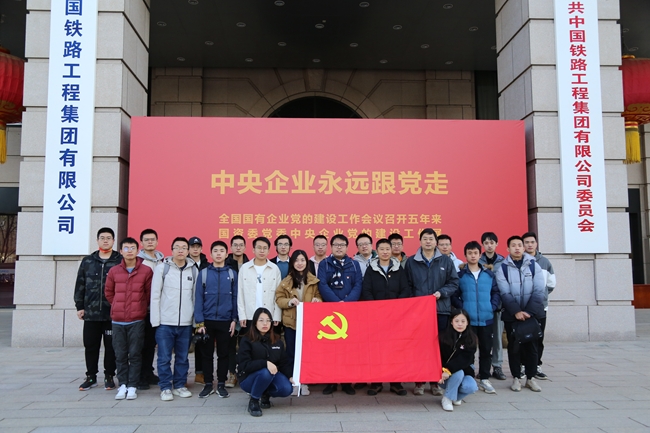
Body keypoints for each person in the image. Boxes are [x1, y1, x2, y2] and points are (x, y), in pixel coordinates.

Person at [405, 228, 459, 396]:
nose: (428, 242)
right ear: (420, 241)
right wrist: (415, 303)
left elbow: (454, 283)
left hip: (440, 310)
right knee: (420, 346)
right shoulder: (411, 262)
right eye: (425, 239)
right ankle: (420, 381)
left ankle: (436, 382)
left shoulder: (446, 261)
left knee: (439, 346)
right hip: (419, 313)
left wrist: (441, 293)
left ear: (436, 242)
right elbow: (407, 286)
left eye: (431, 239)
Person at [105, 237, 153, 400]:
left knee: (135, 354)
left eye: (132, 248)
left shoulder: (146, 271)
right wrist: (117, 306)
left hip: (137, 320)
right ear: (121, 251)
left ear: (138, 251)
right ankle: (123, 384)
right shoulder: (114, 271)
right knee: (120, 354)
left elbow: (148, 294)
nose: (129, 251)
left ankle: (133, 385)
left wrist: (138, 307)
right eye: (126, 248)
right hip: (118, 320)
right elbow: (109, 292)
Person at [495, 235, 545, 393]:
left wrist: (529, 312)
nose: (517, 248)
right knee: (514, 347)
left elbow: (539, 290)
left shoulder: (534, 265)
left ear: (524, 248)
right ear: (507, 249)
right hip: (512, 315)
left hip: (532, 314)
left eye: (519, 245)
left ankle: (531, 378)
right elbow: (504, 292)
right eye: (513, 245)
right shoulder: (502, 268)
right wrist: (516, 311)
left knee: (532, 347)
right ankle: (516, 377)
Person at [361, 238, 410, 396]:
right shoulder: (371, 269)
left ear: (391, 250)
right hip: (376, 317)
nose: (385, 252)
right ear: (377, 251)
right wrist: (376, 308)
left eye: (387, 249)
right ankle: (377, 383)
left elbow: (405, 289)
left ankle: (396, 383)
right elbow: (366, 290)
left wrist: (396, 307)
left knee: (396, 349)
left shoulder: (398, 268)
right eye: (381, 249)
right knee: (377, 350)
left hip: (396, 317)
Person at [74, 227, 121, 391]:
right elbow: (80, 285)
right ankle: (91, 376)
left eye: (109, 238)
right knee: (91, 346)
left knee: (111, 347)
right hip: (91, 313)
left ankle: (109, 375)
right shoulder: (88, 261)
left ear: (113, 241)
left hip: (112, 313)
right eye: (102, 238)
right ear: (97, 240)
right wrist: (80, 306)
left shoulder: (119, 261)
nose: (105, 240)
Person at [150, 237, 197, 401]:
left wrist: (194, 321)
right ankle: (165, 387)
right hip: (165, 323)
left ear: (188, 251)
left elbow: (195, 298)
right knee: (164, 358)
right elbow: (155, 296)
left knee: (183, 358)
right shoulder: (162, 269)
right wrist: (156, 321)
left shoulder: (193, 270)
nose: (181, 250)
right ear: (172, 250)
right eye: (177, 247)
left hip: (185, 323)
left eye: (184, 247)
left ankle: (179, 385)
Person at [317, 234, 363, 395]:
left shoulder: (354, 264)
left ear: (347, 247)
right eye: (336, 245)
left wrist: (347, 303)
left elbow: (358, 284)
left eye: (342, 245)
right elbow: (322, 285)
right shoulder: (324, 264)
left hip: (350, 311)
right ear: (331, 247)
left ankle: (346, 382)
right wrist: (337, 303)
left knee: (348, 349)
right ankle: (330, 381)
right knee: (330, 349)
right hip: (329, 312)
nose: (339, 247)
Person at [455, 241, 500, 394]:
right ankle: (469, 377)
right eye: (470, 253)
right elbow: (455, 295)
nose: (473, 256)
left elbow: (496, 292)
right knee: (468, 350)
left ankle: (485, 378)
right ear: (465, 255)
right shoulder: (461, 275)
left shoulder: (489, 274)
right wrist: (463, 309)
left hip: (486, 318)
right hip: (468, 321)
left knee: (486, 350)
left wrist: (492, 306)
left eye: (475, 253)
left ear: (480, 255)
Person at [194, 240, 238, 399]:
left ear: (227, 254)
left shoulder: (232, 274)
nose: (218, 254)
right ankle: (208, 384)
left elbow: (235, 298)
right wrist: (199, 322)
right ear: (211, 254)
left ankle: (221, 384)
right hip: (207, 320)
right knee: (206, 354)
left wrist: (234, 319)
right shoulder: (204, 273)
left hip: (226, 320)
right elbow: (198, 298)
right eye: (215, 251)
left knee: (223, 354)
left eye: (221, 251)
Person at [275, 249, 322, 396]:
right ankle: (294, 381)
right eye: (296, 260)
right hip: (291, 323)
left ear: (307, 262)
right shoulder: (286, 281)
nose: (299, 263)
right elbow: (278, 299)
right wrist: (289, 302)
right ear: (292, 263)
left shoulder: (313, 281)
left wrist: (317, 300)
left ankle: (305, 382)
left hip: (308, 324)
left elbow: (320, 297)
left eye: (302, 260)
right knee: (291, 353)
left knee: (307, 353)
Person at [237, 307, 293, 417]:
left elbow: (284, 362)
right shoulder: (246, 340)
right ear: (255, 322)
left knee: (287, 389)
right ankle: (254, 401)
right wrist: (265, 363)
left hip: (270, 376)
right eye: (261, 320)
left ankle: (265, 394)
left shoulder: (277, 341)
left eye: (268, 320)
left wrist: (290, 376)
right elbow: (244, 365)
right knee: (265, 372)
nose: (265, 323)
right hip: (248, 378)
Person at [522, 231, 556, 380]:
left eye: (532, 242)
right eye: (526, 242)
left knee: (538, 337)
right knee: (523, 337)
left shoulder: (545, 262)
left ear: (536, 244)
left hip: (540, 307)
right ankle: (523, 365)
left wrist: (541, 296)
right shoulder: (519, 261)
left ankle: (536, 365)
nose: (529, 245)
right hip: (523, 307)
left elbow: (551, 284)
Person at [238, 237, 282, 335]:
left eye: (265, 248)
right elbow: (240, 294)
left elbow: (279, 294)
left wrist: (277, 315)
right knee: (251, 342)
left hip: (269, 316)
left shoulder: (274, 269)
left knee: (268, 342)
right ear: (253, 250)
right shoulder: (245, 268)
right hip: (250, 315)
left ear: (269, 251)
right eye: (259, 247)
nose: (262, 251)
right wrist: (242, 315)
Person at [137, 228, 163, 390]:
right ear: (141, 243)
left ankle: (148, 372)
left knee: (151, 343)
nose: (150, 242)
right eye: (146, 240)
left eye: (152, 239)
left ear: (157, 241)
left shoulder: (162, 261)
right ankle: (140, 376)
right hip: (142, 309)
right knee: (141, 344)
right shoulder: (138, 262)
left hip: (157, 309)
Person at [478, 231, 507, 382]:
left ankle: (497, 366)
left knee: (497, 338)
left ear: (497, 244)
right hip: (481, 306)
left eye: (492, 243)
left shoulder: (503, 262)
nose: (489, 245)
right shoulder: (477, 260)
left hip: (498, 306)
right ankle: (483, 368)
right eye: (486, 243)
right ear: (482, 245)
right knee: (482, 339)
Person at [438, 309, 479, 411]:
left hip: (463, 372)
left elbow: (465, 359)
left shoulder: (472, 338)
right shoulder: (442, 337)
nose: (460, 324)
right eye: (456, 321)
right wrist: (444, 370)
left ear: (467, 322)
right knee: (458, 373)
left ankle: (454, 397)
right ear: (451, 322)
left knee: (471, 386)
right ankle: (447, 399)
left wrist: (449, 369)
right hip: (443, 376)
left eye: (463, 321)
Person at [224, 235, 249, 388]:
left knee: (245, 344)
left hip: (247, 309)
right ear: (231, 247)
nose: (238, 247)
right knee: (230, 345)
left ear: (245, 247)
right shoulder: (225, 264)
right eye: (235, 245)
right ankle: (232, 373)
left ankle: (244, 373)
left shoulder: (250, 264)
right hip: (230, 309)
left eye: (241, 245)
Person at [188, 236, 209, 386]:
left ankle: (200, 373)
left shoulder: (207, 265)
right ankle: (183, 375)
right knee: (185, 345)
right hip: (186, 307)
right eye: (192, 247)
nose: (195, 249)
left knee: (202, 343)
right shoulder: (184, 264)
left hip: (202, 308)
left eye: (198, 247)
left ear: (201, 248)